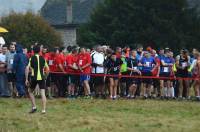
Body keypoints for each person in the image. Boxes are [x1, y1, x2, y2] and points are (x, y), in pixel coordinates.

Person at [25, 45, 49, 114]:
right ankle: (43, 110)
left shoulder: (31, 58)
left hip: (33, 77)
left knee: (30, 91)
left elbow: (27, 68)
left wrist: (26, 79)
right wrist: (45, 77)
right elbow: (48, 69)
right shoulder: (43, 58)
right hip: (41, 77)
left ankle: (34, 107)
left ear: (33, 51)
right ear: (40, 51)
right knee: (43, 93)